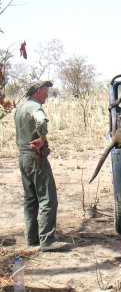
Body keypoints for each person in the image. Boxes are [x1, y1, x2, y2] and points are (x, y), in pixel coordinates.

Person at [14, 81, 70, 252]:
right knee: (48, 198)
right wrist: (42, 139)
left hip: (24, 157)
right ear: (38, 92)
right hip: (36, 157)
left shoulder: (21, 108)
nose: (47, 94)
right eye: (45, 91)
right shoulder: (34, 107)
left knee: (30, 199)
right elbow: (40, 121)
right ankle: (47, 240)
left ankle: (31, 238)